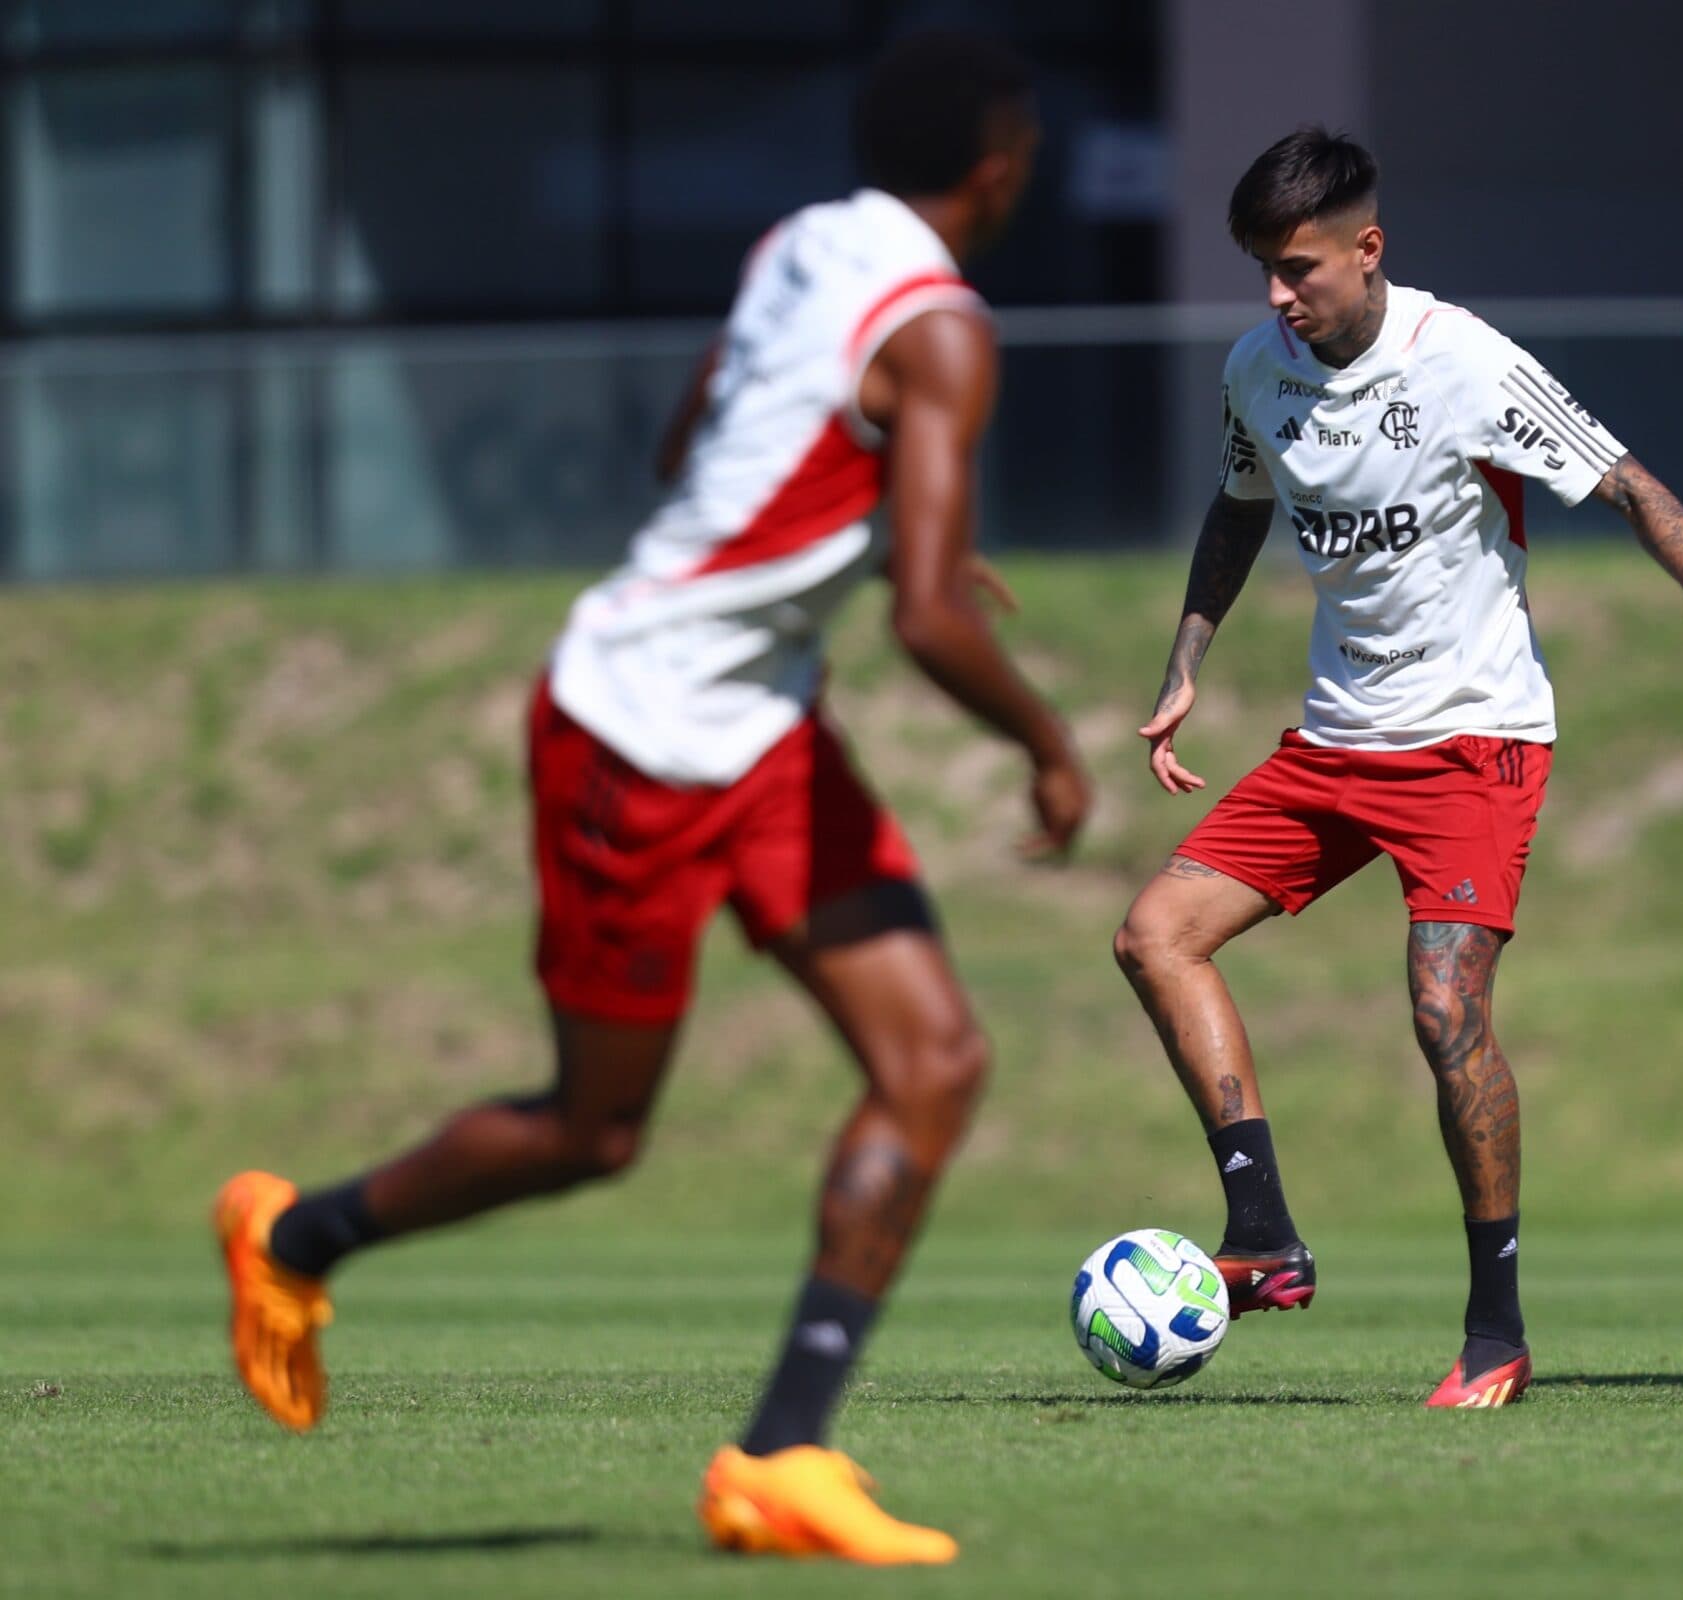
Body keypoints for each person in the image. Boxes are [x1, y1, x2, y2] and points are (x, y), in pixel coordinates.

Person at [214, 33, 1086, 1565]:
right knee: (591, 1132)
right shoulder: (946, 327)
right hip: (635, 732)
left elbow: (700, 432)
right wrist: (1048, 744)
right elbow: (936, 622)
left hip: (758, 733)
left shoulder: (806, 242)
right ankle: (293, 1235)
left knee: (935, 1057)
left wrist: (835, 545)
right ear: (997, 162)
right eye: (1023, 146)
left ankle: (783, 1458)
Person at [1112, 126, 1683, 1409]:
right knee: (1156, 934)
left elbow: (1626, 480)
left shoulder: (1468, 362)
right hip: (1334, 738)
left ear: (1369, 252)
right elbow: (1240, 501)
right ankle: (1262, 1232)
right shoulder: (1259, 368)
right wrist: (1186, 658)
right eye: (1262, 267)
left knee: (1444, 1012)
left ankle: (1498, 1330)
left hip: (1475, 739)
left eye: (1299, 267)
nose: (1277, 294)